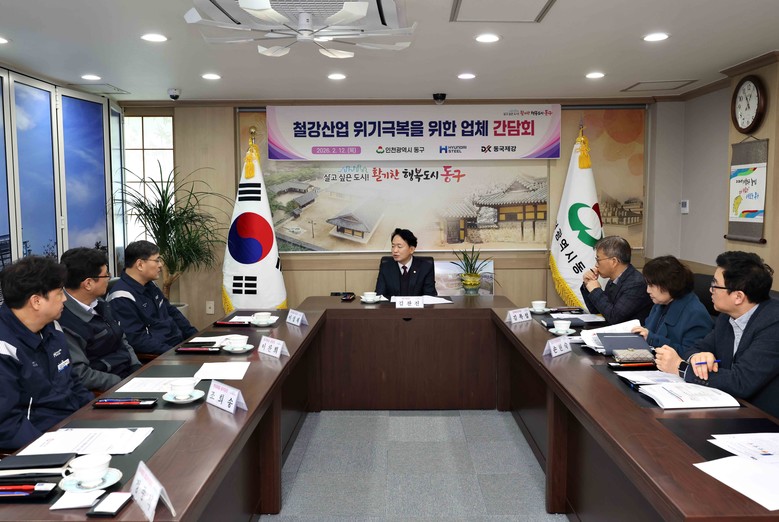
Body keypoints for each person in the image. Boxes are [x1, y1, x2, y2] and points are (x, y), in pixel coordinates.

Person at [655, 251, 779, 418]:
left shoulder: (773, 323)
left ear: (738, 297)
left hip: (763, 418)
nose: (710, 290)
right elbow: (696, 347)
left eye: (715, 285)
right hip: (729, 406)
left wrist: (681, 368)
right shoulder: (726, 317)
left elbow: (741, 382)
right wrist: (697, 357)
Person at [0, 256, 93, 449]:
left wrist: (97, 416)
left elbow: (73, 383)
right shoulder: (4, 347)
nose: (65, 299)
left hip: (74, 428)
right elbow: (7, 426)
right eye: (59, 293)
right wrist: (57, 448)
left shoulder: (53, 328)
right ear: (36, 301)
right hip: (41, 443)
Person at [59, 248, 141, 391]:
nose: (109, 279)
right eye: (106, 275)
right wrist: (122, 383)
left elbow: (122, 339)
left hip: (130, 377)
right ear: (88, 283)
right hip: (109, 388)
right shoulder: (65, 321)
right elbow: (81, 374)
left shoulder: (100, 304)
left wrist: (137, 367)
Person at [107, 241, 197, 355]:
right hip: (161, 356)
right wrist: (175, 353)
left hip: (178, 345)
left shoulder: (150, 285)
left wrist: (196, 337)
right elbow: (138, 340)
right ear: (140, 264)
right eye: (157, 260)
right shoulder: (121, 297)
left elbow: (172, 312)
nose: (161, 265)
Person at [630, 256, 712, 357]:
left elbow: (691, 355)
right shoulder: (660, 304)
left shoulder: (696, 314)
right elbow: (649, 330)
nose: (648, 290)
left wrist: (652, 339)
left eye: (651, 286)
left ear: (669, 284)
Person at [581, 235, 653, 324]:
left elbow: (614, 317)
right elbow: (598, 311)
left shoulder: (636, 284)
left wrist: (595, 290)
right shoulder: (613, 280)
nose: (596, 265)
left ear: (614, 261)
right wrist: (588, 285)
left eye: (598, 260)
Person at [375, 228, 437, 298]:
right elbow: (379, 295)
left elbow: (430, 296)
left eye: (399, 246)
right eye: (393, 246)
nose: (395, 250)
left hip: (417, 305)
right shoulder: (386, 267)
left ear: (411, 249)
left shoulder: (425, 267)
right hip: (392, 305)